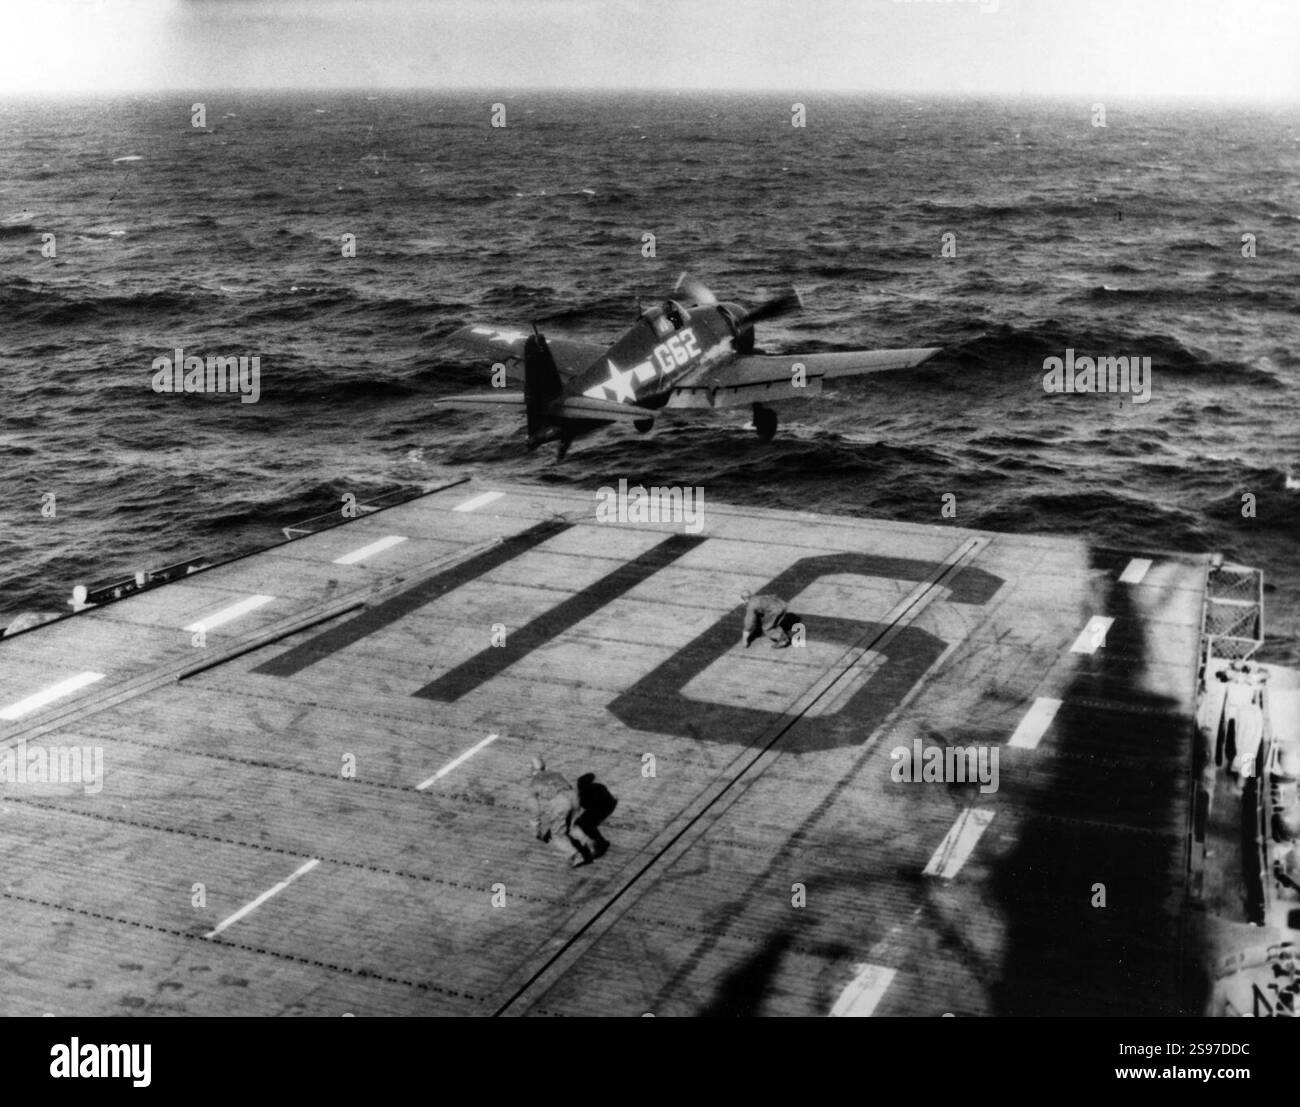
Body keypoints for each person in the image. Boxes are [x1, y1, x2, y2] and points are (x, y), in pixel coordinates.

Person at [528, 757, 596, 868]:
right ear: (545, 766)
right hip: (573, 797)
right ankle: (589, 842)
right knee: (571, 826)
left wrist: (536, 829)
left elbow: (534, 809)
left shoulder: (534, 783)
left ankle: (575, 855)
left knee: (557, 835)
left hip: (559, 802)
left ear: (531, 769)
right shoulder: (555, 774)